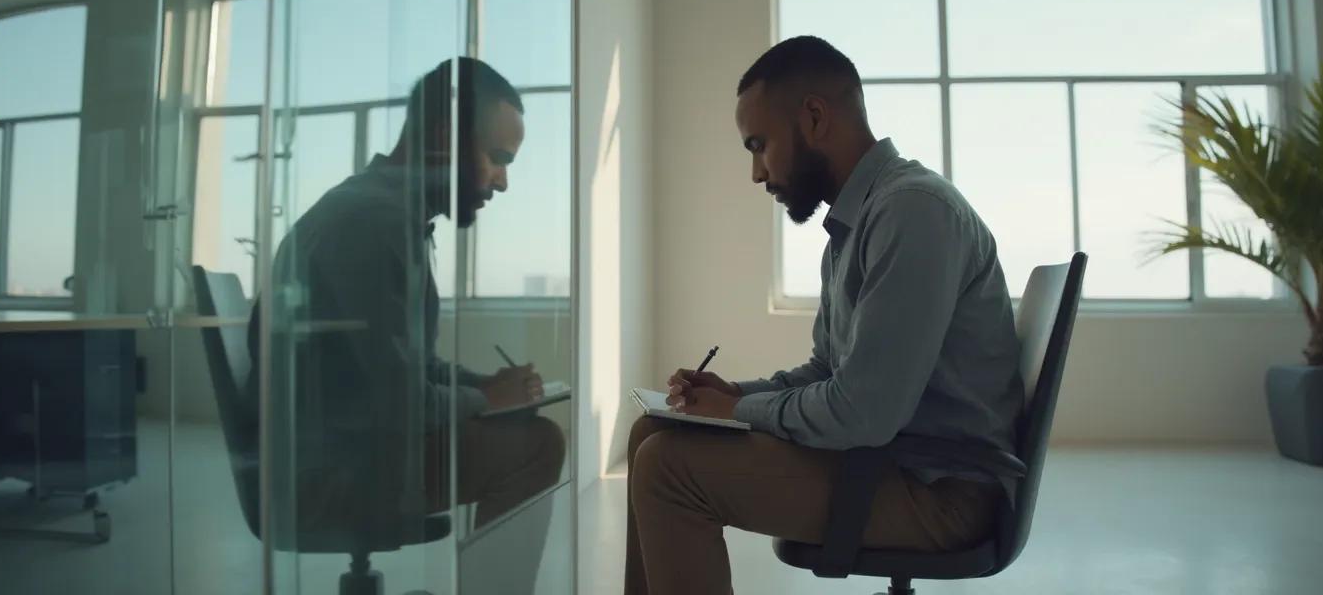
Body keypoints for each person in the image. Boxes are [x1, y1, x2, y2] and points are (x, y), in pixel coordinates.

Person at [623, 36, 1024, 595]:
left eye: (759, 145)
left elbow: (863, 413)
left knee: (668, 468)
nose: (757, 174)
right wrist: (731, 393)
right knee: (651, 433)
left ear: (813, 117)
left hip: (939, 494)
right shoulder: (859, 223)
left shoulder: (913, 212)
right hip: (892, 465)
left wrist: (740, 409)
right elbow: (828, 372)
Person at [251, 58, 564, 588]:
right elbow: (398, 402)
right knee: (538, 444)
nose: (503, 182)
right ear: (445, 137)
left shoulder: (383, 212)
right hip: (330, 472)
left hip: (338, 447)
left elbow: (408, 364)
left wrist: (483, 385)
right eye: (497, 157)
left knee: (519, 426)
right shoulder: (374, 226)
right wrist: (491, 402)